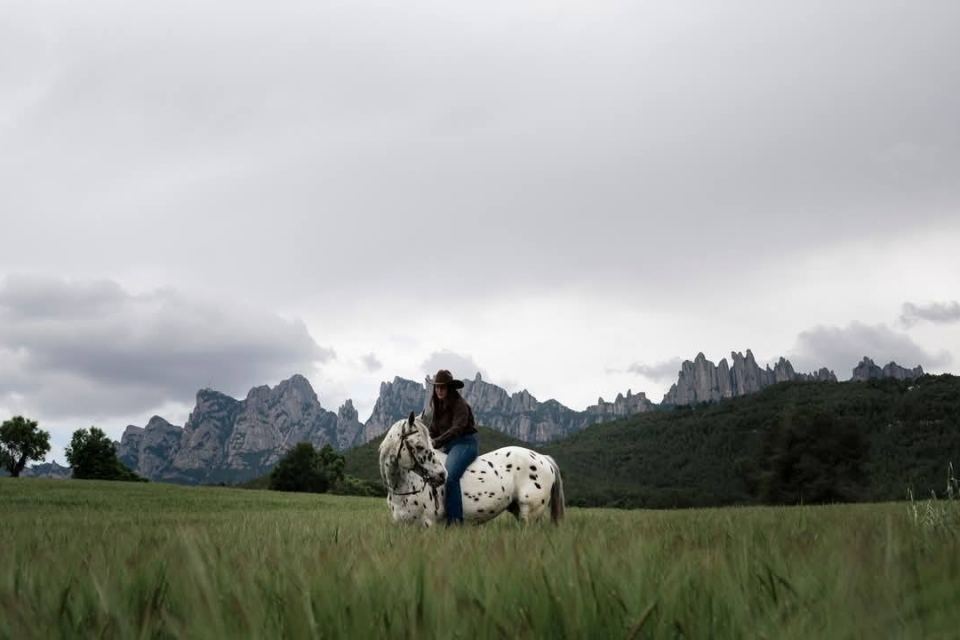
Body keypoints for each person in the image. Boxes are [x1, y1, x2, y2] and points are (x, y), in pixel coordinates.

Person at [427, 369, 479, 526]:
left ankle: (455, 522)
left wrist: (436, 442)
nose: (439, 390)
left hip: (465, 443)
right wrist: (426, 440)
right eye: (437, 387)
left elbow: (457, 428)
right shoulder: (438, 407)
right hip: (449, 446)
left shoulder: (460, 404)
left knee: (449, 477)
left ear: (449, 388)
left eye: (442, 387)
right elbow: (432, 430)